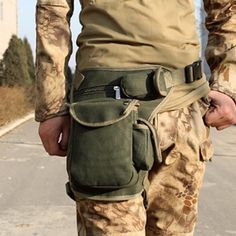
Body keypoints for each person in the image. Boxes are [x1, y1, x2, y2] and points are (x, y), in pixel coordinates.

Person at [35, 0, 236, 235]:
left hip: (179, 107)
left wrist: (227, 85)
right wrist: (52, 106)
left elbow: (226, 9)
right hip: (106, 113)